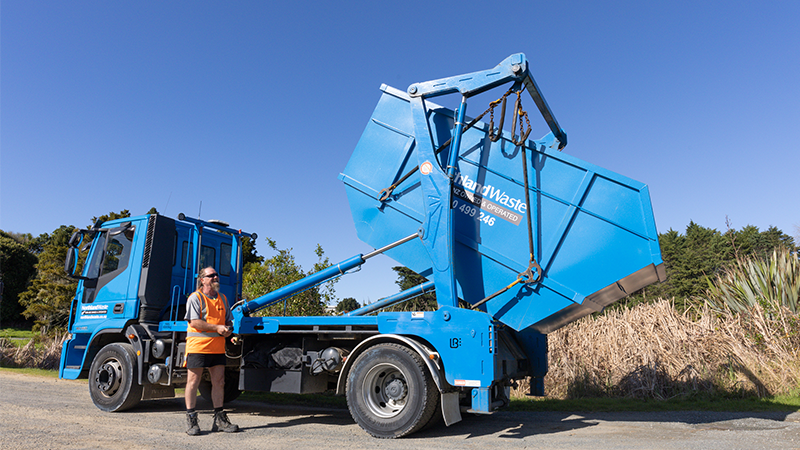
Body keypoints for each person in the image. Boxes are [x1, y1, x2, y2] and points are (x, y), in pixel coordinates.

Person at [183, 266, 239, 435]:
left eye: (217, 275)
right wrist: (218, 328)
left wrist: (229, 331)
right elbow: (194, 322)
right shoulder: (195, 298)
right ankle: (191, 420)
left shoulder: (223, 298)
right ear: (202, 279)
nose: (216, 277)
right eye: (211, 275)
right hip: (198, 346)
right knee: (193, 382)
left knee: (219, 382)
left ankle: (220, 419)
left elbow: (228, 321)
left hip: (217, 348)